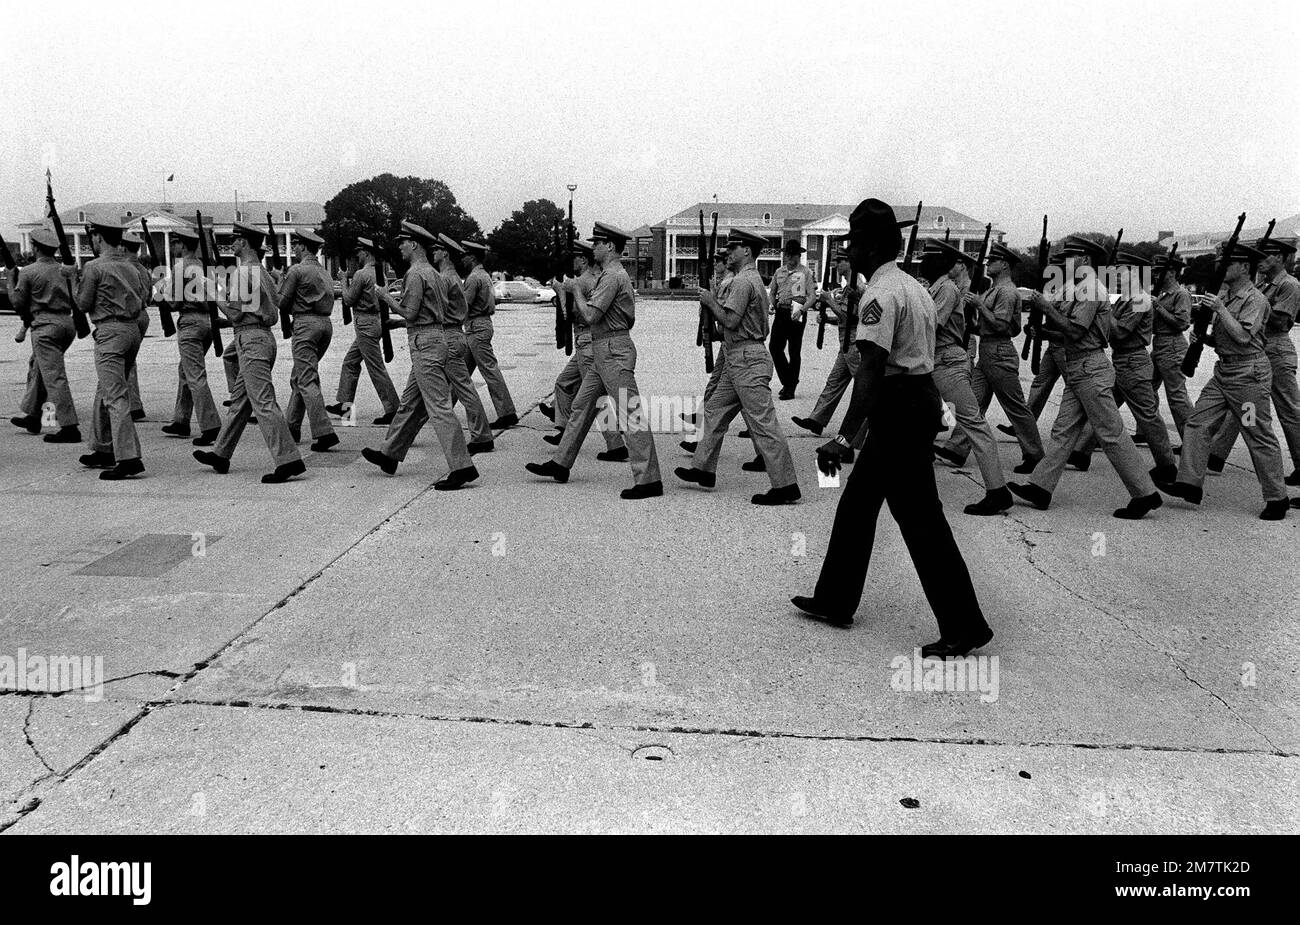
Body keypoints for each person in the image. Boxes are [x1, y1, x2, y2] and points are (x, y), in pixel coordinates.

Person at [791, 199, 992, 659]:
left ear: (873, 246)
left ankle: (964, 625)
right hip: (915, 401)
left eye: (856, 244)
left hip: (898, 407)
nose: (850, 252)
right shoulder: (914, 288)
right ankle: (835, 600)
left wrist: (845, 437)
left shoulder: (880, 295)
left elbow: (871, 371)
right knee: (858, 506)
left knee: (921, 520)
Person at [1009, 236, 1163, 518]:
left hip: (1091, 369)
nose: (1066, 261)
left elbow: (1076, 330)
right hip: (1079, 367)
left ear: (1086, 260)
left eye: (1072, 256)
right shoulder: (1080, 288)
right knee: (1063, 430)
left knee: (1111, 433)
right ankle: (1040, 487)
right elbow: (1070, 332)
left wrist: (1046, 309)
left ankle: (1145, 493)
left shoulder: (1091, 288)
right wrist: (1043, 332)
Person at [526, 221, 663, 499]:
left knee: (630, 414)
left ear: (610, 246)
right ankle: (561, 463)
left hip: (613, 349)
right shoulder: (608, 275)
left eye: (598, 244)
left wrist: (574, 290)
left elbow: (590, 316)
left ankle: (649, 479)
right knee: (580, 406)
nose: (594, 248)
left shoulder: (612, 276)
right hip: (603, 351)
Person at [1155, 241, 1289, 520]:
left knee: (1257, 434)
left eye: (1227, 263)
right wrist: (1204, 338)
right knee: (1197, 422)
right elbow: (1226, 338)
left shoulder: (1254, 299)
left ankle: (1277, 497)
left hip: (1248, 378)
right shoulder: (1227, 297)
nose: (1221, 267)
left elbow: (1243, 337)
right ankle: (1189, 483)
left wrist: (1220, 309)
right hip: (1225, 373)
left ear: (1244, 267)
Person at [675, 227, 800, 504]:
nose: (728, 253)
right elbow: (732, 327)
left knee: (764, 424)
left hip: (747, 360)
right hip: (738, 358)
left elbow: (730, 321)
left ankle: (786, 484)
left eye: (733, 248)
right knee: (715, 411)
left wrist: (710, 302)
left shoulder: (744, 282)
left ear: (746, 251)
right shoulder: (748, 280)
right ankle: (702, 469)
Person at [359, 221, 480, 490]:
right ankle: (389, 454)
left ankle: (462, 467)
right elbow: (434, 312)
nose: (399, 247)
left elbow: (411, 312)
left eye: (402, 242)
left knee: (438, 407)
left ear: (413, 244)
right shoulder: (435, 274)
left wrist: (384, 297)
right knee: (410, 403)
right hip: (436, 339)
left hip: (425, 345)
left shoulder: (415, 274)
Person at [193, 223, 305, 483]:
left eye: (235, 239)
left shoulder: (244, 273)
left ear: (244, 243)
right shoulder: (261, 272)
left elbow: (234, 313)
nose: (231, 243)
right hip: (260, 338)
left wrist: (213, 293)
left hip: (251, 340)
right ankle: (221, 453)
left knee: (264, 403)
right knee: (241, 401)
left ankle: (288, 459)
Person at [1204, 237, 1300, 485]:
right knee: (1244, 409)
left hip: (1276, 350)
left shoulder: (1289, 285)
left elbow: (1282, 322)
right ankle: (1216, 455)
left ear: (1279, 257)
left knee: (1289, 412)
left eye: (1266, 256)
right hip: (1256, 351)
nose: (1261, 261)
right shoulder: (1265, 286)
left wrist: (1256, 308)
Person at [941, 242, 1043, 474]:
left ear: (1004, 264)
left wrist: (978, 305)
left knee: (1015, 407)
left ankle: (1035, 454)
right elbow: (988, 326)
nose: (988, 263)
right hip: (988, 351)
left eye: (992, 260)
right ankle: (956, 449)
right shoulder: (995, 290)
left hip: (999, 353)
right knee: (973, 404)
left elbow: (1001, 325)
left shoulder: (1006, 291)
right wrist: (971, 325)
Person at [927, 240, 1012, 514]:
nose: (923, 261)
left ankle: (997, 491)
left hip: (948, 362)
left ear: (944, 263)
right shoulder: (937, 288)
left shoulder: (947, 290)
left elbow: (931, 326)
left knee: (974, 424)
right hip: (936, 361)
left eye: (930, 257)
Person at [75, 220, 151, 480]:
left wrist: (73, 280)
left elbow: (84, 304)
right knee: (105, 391)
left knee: (115, 395)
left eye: (94, 237)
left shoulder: (94, 267)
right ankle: (103, 446)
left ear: (99, 238)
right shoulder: (132, 267)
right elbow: (143, 299)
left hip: (109, 332)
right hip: (131, 331)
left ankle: (128, 457)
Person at [542, 239, 626, 460]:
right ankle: (562, 429)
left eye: (575, 257)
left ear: (583, 259)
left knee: (594, 399)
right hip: (585, 343)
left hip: (588, 342)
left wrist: (562, 292)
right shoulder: (586, 279)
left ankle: (615, 444)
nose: (572, 262)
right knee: (563, 383)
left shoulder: (586, 281)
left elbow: (573, 315)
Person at [7, 228, 80, 443]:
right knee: (40, 369)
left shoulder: (29, 271)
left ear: (36, 247)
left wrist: (12, 280)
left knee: (54, 376)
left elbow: (17, 302)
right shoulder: (64, 270)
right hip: (67, 323)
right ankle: (34, 416)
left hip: (45, 326)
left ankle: (69, 427)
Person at [792, 248, 867, 451]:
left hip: (854, 343)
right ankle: (817, 420)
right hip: (845, 341)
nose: (836, 264)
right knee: (834, 382)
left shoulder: (856, 286)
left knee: (864, 390)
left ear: (849, 263)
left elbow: (851, 318)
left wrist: (828, 301)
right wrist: (828, 317)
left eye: (840, 261)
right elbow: (842, 318)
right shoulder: (846, 286)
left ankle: (860, 434)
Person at [159, 226, 222, 446]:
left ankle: (211, 425)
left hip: (190, 322)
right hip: (208, 322)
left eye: (175, 243)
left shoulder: (180, 268)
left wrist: (162, 293)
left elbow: (174, 303)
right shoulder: (207, 267)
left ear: (182, 245)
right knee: (185, 370)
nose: (174, 247)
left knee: (194, 374)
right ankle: (181, 419)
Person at [431, 233, 495, 453]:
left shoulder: (449, 278)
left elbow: (452, 308)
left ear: (444, 252)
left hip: (454, 333)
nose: (433, 253)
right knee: (463, 385)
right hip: (460, 332)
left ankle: (483, 434)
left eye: (436, 249)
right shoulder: (459, 277)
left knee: (471, 384)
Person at [327, 237, 398, 426]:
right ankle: (345, 406)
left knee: (376, 369)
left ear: (366, 253)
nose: (357, 256)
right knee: (350, 362)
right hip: (373, 322)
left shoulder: (361, 274)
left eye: (359, 252)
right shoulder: (378, 272)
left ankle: (393, 409)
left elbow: (349, 299)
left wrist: (343, 280)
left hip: (365, 324)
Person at [279, 229, 338, 452]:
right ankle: (291, 426)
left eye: (296, 245)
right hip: (325, 325)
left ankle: (324, 431)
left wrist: (278, 282)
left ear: (303, 247)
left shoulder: (297, 270)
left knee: (306, 379)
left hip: (305, 325)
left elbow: (282, 303)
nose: (294, 249)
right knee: (301, 376)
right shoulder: (324, 272)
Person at [459, 239, 518, 429]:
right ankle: (440, 408)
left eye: (465, 255)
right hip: (479, 325)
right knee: (460, 372)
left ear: (473, 257)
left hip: (476, 327)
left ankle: (507, 413)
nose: (462, 258)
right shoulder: (483, 275)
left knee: (489, 371)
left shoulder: (474, 278)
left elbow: (463, 307)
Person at [1146, 251, 1194, 446]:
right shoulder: (1162, 294)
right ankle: (1145, 432)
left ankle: (1192, 442)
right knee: (1147, 390)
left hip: (1173, 345)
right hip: (1159, 345)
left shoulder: (1181, 294)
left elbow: (1182, 323)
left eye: (1160, 271)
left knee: (1176, 397)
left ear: (1172, 272)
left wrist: (1158, 307)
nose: (1156, 275)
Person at [767, 240, 815, 399]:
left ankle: (790, 388)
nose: (790, 257)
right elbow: (772, 292)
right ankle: (789, 381)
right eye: (787, 253)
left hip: (797, 310)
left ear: (798, 255)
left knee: (794, 351)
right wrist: (772, 305)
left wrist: (802, 310)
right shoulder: (779, 272)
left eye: (793, 254)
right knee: (775, 347)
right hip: (782, 310)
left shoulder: (805, 272)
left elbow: (812, 297)